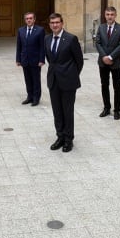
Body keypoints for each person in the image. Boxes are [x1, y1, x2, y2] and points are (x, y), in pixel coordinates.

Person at [45, 13, 83, 152]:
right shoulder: (47, 39)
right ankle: (60, 136)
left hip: (68, 81)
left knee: (67, 111)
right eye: (52, 23)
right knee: (57, 111)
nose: (55, 25)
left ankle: (68, 139)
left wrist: (71, 74)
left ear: (62, 23)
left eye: (57, 22)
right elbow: (51, 60)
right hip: (53, 80)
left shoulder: (71, 39)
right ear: (49, 25)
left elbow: (79, 61)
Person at [95, 6, 120, 119]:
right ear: (105, 15)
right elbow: (97, 43)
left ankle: (117, 110)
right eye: (108, 14)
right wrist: (104, 56)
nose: (109, 16)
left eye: (112, 14)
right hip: (103, 62)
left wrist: (111, 57)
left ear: (115, 15)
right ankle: (106, 108)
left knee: (117, 86)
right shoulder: (101, 27)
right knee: (104, 85)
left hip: (116, 62)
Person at [16, 12, 45, 106]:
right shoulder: (21, 30)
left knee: (36, 80)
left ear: (34, 19)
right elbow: (19, 46)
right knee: (27, 79)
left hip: (36, 60)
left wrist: (41, 60)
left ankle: (36, 98)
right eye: (27, 18)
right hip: (25, 59)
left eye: (30, 18)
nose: (29, 20)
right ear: (25, 20)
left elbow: (42, 46)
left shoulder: (40, 30)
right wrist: (18, 59)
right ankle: (30, 96)